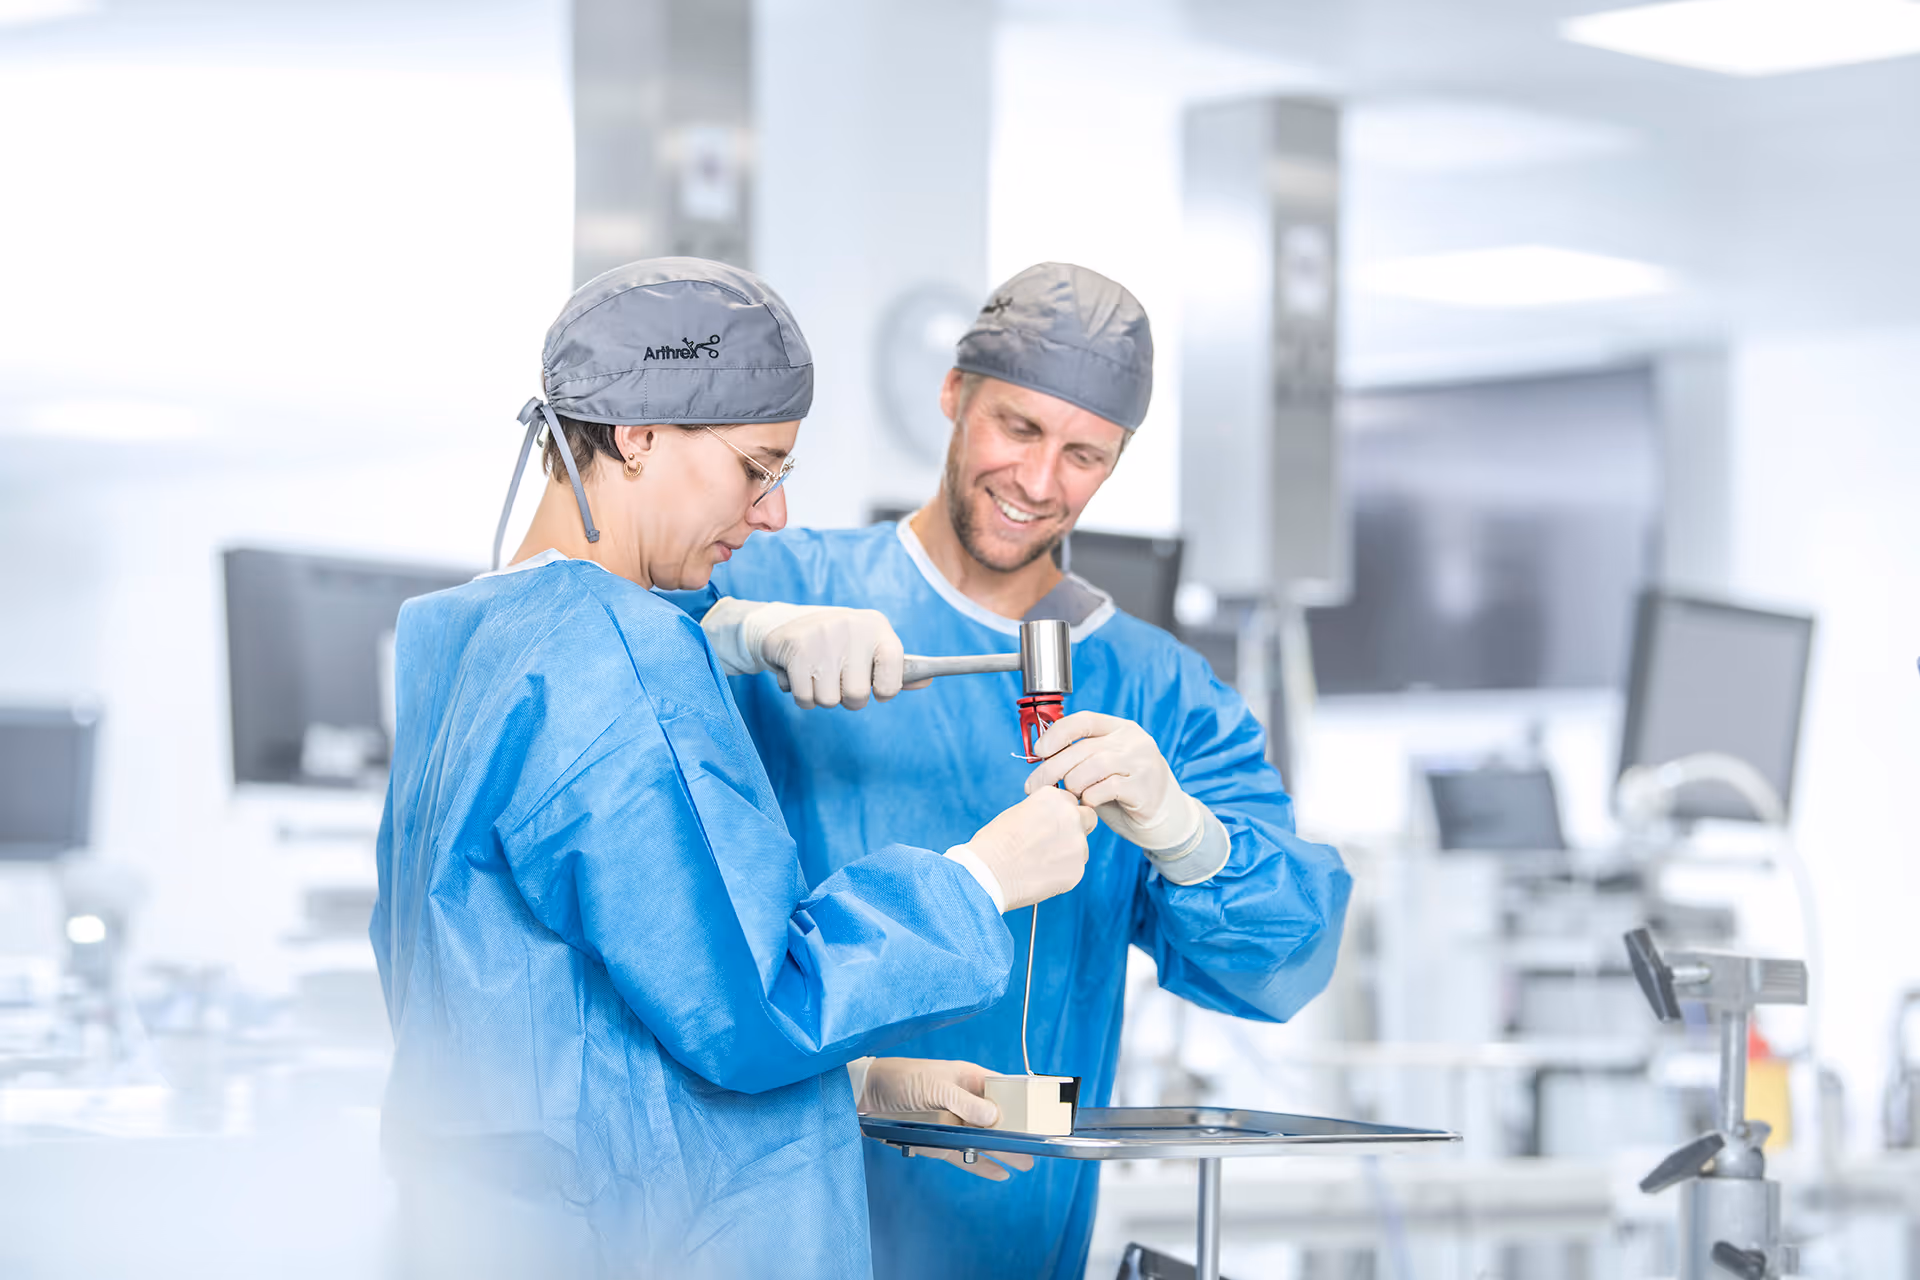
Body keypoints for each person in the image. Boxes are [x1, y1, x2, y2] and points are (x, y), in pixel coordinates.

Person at [369, 257, 1099, 1280]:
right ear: (637, 435)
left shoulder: (469, 642)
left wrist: (865, 1080)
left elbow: (581, 1021)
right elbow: (749, 1005)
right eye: (757, 468)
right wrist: (980, 876)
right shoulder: (613, 662)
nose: (772, 516)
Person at [669, 262, 1353, 1279]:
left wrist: (1184, 831)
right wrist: (726, 629)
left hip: (1012, 1237)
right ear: (952, 397)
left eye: (1084, 454)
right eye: (1018, 429)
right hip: (759, 1223)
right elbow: (575, 655)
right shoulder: (781, 579)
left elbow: (1289, 953)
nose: (1040, 481)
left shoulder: (1155, 690)